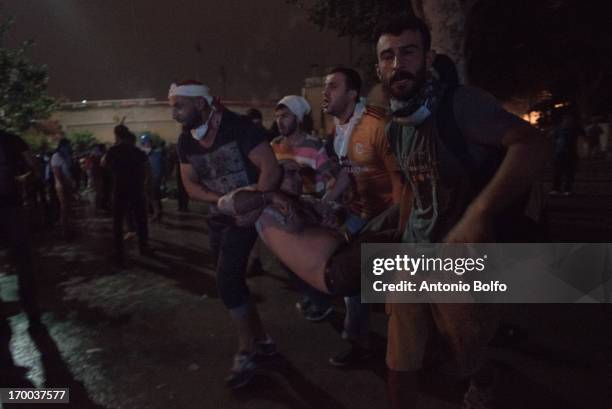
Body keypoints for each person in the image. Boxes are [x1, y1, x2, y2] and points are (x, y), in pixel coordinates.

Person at [373, 16, 550, 408]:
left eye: (408, 52)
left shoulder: (462, 104)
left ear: (428, 58)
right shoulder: (394, 127)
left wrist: (477, 214)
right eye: (388, 56)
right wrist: (397, 237)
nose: (397, 64)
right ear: (378, 68)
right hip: (415, 254)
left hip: (465, 262)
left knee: (462, 352)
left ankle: (484, 377)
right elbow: (413, 191)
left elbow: (533, 144)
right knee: (400, 359)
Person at [170, 80, 282, 389]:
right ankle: (264, 341)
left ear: (201, 104)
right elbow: (190, 185)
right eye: (172, 106)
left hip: (247, 218)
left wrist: (252, 200)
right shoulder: (186, 142)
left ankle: (246, 351)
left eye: (179, 106)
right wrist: (221, 202)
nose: (174, 113)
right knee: (234, 283)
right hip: (219, 218)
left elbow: (270, 169)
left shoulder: (239, 127)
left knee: (226, 280)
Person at [322, 67, 403, 366]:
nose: (325, 92)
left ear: (352, 94)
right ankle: (358, 340)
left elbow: (402, 183)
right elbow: (347, 172)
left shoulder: (378, 125)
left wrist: (394, 227)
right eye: (325, 86)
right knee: (348, 276)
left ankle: (423, 346)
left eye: (333, 86)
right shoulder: (340, 129)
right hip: (360, 211)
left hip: (388, 216)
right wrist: (325, 202)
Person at [271, 95, 338, 321]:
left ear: (298, 118)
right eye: (277, 116)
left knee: (310, 257)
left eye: (285, 116)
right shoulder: (274, 146)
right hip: (283, 210)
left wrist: (325, 204)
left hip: (310, 210)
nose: (280, 121)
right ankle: (314, 296)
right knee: (286, 259)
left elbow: (330, 179)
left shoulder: (314, 146)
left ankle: (321, 300)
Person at [0, 131, 41, 325]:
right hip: (11, 205)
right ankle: (30, 304)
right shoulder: (12, 139)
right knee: (23, 257)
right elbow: (34, 165)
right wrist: (24, 179)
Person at [102, 125, 151, 266]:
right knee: (141, 219)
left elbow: (103, 163)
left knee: (117, 221)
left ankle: (119, 251)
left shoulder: (113, 150)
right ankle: (144, 246)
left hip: (119, 189)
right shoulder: (136, 151)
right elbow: (146, 168)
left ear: (116, 135)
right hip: (136, 188)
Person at [551, 113, 583, 195]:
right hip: (563, 153)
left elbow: (553, 140)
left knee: (567, 172)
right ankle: (560, 189)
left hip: (567, 153)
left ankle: (564, 189)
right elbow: (553, 140)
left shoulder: (571, 129)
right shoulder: (570, 129)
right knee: (560, 172)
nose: (568, 122)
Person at [51, 138, 76, 238]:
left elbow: (69, 171)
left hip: (68, 183)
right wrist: (60, 184)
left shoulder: (67, 156)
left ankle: (69, 228)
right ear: (62, 146)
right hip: (61, 185)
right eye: (67, 145)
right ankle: (64, 230)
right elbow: (56, 172)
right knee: (64, 207)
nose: (69, 147)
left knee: (68, 206)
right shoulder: (56, 156)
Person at [140, 133, 164, 221]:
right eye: (142, 144)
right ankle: (156, 213)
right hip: (150, 178)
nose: (143, 146)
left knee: (154, 197)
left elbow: (157, 168)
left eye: (145, 143)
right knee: (152, 197)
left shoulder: (156, 153)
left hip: (154, 178)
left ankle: (156, 214)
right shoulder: (147, 155)